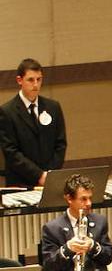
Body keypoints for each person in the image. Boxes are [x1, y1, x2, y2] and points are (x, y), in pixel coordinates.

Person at [0, 58, 66, 187]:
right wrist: (39, 175)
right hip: (20, 182)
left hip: (49, 180)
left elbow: (60, 144)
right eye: (30, 80)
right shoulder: (7, 111)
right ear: (19, 80)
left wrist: (50, 174)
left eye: (39, 79)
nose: (35, 84)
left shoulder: (53, 107)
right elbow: (11, 152)